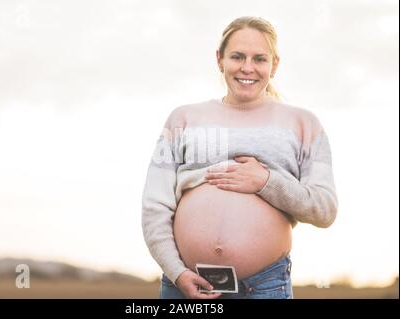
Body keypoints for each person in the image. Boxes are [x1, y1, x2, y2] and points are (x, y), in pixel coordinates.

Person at [141, 16, 338, 299]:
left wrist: (266, 182)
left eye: (260, 58)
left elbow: (325, 209)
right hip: (183, 285)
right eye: (237, 56)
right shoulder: (182, 119)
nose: (248, 68)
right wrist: (177, 271)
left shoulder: (304, 124)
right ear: (219, 59)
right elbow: (154, 205)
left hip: (264, 288)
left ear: (275, 65)